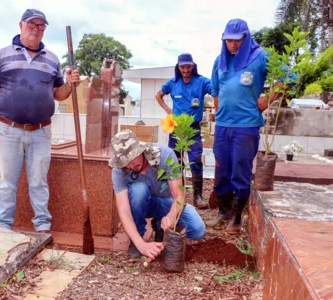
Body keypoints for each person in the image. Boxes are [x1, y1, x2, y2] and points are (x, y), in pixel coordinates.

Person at [0, 9, 81, 232]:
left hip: (41, 131)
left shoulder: (53, 60)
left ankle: (42, 226)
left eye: (41, 26)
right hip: (9, 129)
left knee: (39, 182)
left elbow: (59, 94)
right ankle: (3, 227)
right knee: (7, 182)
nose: (36, 29)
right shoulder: (1, 56)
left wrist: (70, 83)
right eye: (32, 24)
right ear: (21, 25)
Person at [206, 19, 284, 234]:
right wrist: (219, 108)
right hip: (223, 126)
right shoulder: (219, 60)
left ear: (246, 37)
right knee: (222, 168)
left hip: (246, 125)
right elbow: (215, 88)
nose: (232, 44)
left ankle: (237, 217)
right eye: (228, 40)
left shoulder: (260, 57)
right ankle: (223, 212)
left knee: (240, 169)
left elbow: (287, 78)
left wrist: (267, 100)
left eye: (236, 40)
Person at [109, 130, 205, 259]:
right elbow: (124, 211)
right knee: (138, 190)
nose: (132, 165)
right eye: (126, 162)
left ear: (141, 150)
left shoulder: (165, 155)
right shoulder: (119, 170)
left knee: (197, 230)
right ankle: (137, 237)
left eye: (133, 157)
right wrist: (141, 244)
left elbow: (179, 196)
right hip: (141, 205)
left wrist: (171, 216)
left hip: (166, 203)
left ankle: (160, 225)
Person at [155, 53, 212, 209]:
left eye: (188, 66)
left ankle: (198, 197)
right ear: (178, 67)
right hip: (176, 129)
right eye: (182, 67)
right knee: (176, 161)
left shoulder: (202, 82)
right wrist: (168, 110)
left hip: (193, 128)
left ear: (193, 66)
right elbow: (158, 95)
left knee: (195, 160)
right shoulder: (172, 83)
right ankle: (177, 195)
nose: (185, 69)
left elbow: (216, 89)